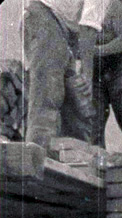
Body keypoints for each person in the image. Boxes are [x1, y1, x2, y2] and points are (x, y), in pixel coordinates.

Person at [23, 0, 106, 149]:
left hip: (56, 26)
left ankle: (73, 156)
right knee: (48, 96)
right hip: (46, 17)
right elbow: (88, 28)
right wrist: (87, 74)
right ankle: (36, 155)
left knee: (72, 100)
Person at [92, 0, 122, 148]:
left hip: (121, 68)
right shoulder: (77, 9)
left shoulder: (112, 4)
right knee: (91, 129)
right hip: (95, 73)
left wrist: (95, 50)